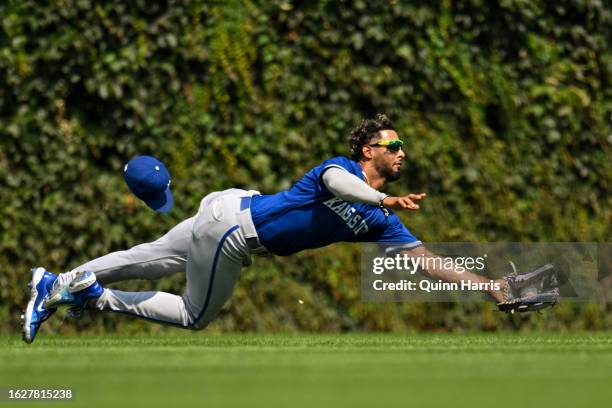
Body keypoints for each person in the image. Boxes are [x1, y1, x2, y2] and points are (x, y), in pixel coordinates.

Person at [22, 114, 507, 343]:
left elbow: (426, 261)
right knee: (194, 316)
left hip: (228, 207)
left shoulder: (382, 221)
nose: (402, 151)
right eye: (393, 144)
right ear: (368, 152)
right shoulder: (340, 170)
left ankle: (57, 282)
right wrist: (383, 196)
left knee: (147, 257)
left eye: (403, 146)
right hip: (236, 231)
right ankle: (89, 296)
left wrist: (489, 287)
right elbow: (339, 183)